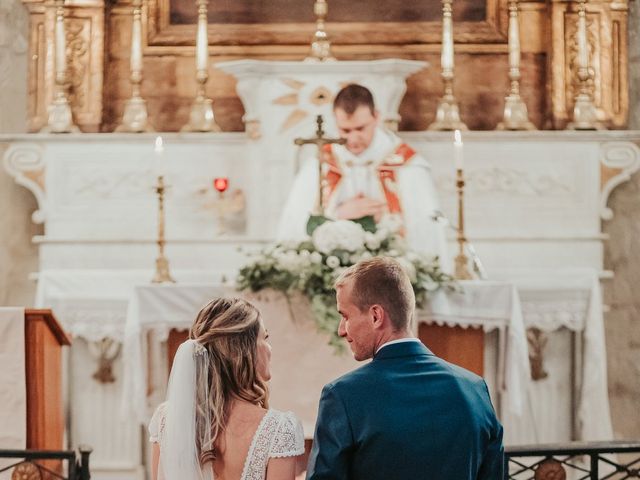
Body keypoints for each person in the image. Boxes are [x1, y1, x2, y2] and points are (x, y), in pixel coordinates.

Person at [306, 257, 504, 480]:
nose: (341, 330)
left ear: (375, 316)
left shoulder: (343, 395)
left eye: (345, 316)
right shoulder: (475, 389)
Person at [277, 84, 449, 270]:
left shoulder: (408, 165)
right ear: (336, 121)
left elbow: (426, 230)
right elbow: (295, 224)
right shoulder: (321, 165)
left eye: (360, 128)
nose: (353, 138)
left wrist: (385, 217)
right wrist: (338, 213)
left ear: (376, 117)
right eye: (346, 130)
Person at [149, 297, 304, 480]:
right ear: (245, 351)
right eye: (265, 338)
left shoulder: (166, 419)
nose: (269, 348)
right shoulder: (279, 429)